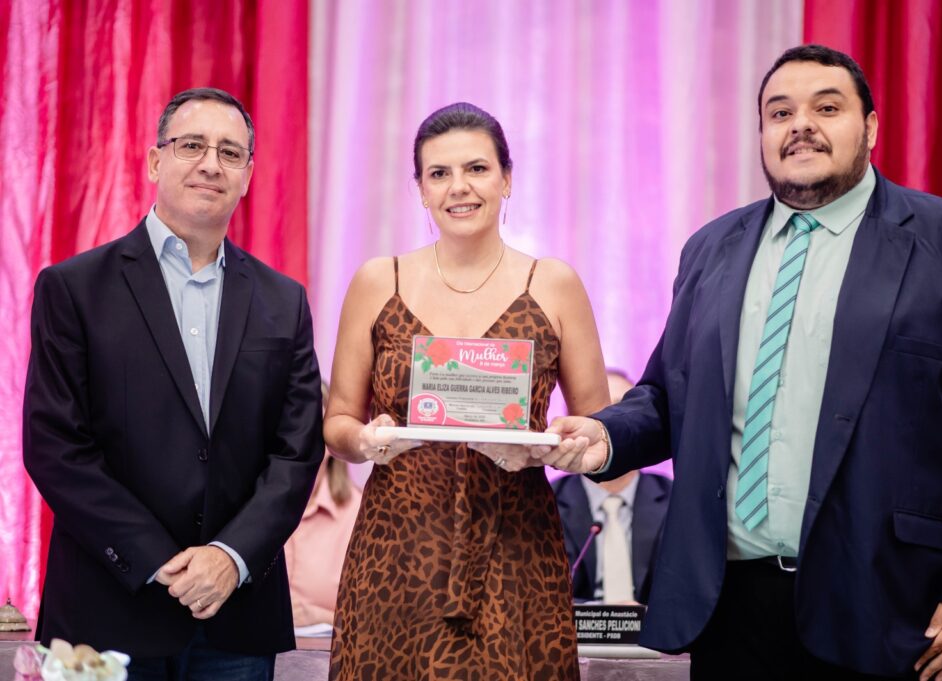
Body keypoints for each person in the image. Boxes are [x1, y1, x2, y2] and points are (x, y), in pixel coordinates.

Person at [538, 45, 942, 681]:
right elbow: (669, 395)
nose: (801, 125)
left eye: (827, 107)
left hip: (895, 606)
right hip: (733, 609)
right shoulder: (711, 248)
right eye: (780, 112)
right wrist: (604, 435)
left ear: (871, 127)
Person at [23, 87, 323, 679]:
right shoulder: (74, 289)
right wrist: (160, 560)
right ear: (156, 161)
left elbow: (296, 452)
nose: (211, 164)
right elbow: (55, 446)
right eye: (192, 146)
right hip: (106, 611)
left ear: (248, 176)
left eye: (230, 153)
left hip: (236, 617)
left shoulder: (283, 301)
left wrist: (229, 557)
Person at [324, 102, 609, 680]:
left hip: (517, 544)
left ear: (507, 179)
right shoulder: (379, 280)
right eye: (439, 173)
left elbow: (601, 429)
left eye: (477, 168)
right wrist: (366, 440)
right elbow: (338, 423)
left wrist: (556, 448)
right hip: (398, 546)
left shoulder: (554, 284)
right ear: (421, 190)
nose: (459, 187)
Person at [552, 369, 671, 604]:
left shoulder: (676, 499)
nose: (611, 426)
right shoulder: (546, 501)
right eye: (601, 414)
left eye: (623, 411)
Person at [283, 383, 363, 631]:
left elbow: (380, 624)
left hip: (324, 653)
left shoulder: (360, 516)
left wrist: (319, 616)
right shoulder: (240, 510)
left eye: (307, 429)